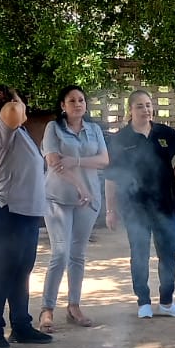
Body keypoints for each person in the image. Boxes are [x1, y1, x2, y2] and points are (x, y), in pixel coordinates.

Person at [104, 89, 175, 319]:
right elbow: (111, 178)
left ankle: (167, 302)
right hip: (135, 207)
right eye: (140, 106)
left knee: (169, 254)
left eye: (148, 105)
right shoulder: (119, 139)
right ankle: (143, 301)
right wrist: (110, 210)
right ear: (130, 110)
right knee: (140, 254)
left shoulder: (163, 133)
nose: (146, 110)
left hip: (165, 205)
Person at [0, 87, 53, 348]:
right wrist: (11, 96)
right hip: (6, 213)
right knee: (2, 274)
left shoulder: (19, 133)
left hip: (27, 215)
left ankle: (21, 326)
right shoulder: (3, 129)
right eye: (18, 101)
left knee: (22, 273)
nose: (23, 106)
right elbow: (14, 111)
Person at [41, 85, 109, 330]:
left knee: (78, 255)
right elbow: (54, 161)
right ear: (63, 105)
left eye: (81, 100)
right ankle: (46, 310)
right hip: (58, 198)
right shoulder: (53, 128)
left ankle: (74, 306)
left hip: (88, 201)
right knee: (60, 253)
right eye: (72, 100)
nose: (78, 104)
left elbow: (104, 160)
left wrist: (78, 161)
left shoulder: (94, 130)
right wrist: (80, 185)